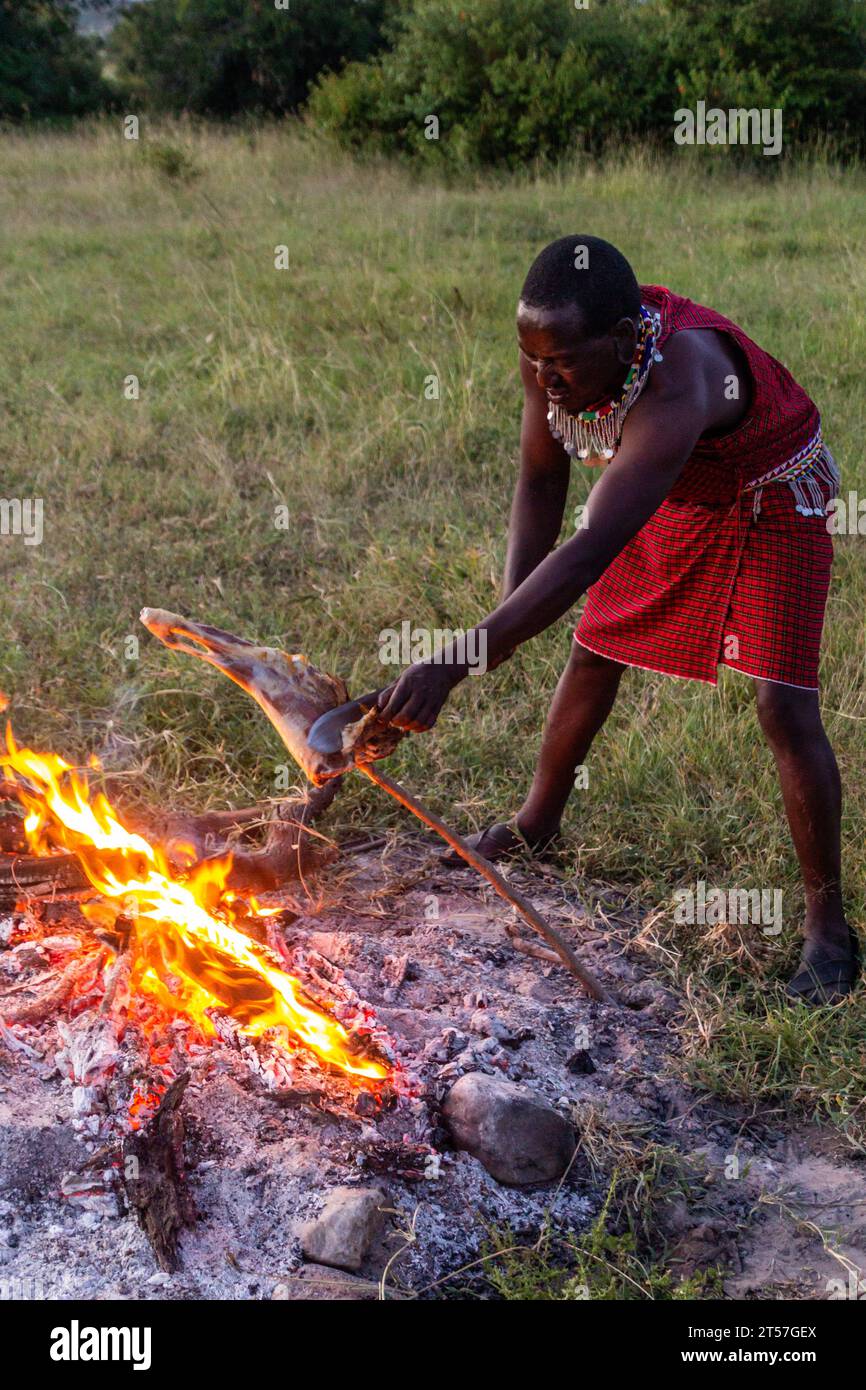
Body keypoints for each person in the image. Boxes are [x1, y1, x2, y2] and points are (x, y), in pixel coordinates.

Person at [377, 235, 854, 1006]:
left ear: (626, 342)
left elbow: (594, 546)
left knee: (782, 704)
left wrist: (456, 659)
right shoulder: (551, 360)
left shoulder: (679, 380)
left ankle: (829, 933)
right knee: (596, 649)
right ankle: (537, 824)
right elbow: (540, 480)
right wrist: (503, 619)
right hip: (676, 486)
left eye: (560, 362)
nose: (543, 378)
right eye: (531, 359)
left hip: (772, 493)